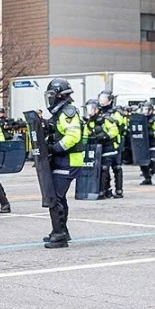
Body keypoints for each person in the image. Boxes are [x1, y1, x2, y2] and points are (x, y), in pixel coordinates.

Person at [43, 79, 84, 246]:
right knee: (59, 197)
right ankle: (61, 230)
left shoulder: (68, 112)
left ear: (59, 95)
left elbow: (73, 136)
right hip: (62, 160)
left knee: (56, 198)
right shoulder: (59, 113)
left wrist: (55, 148)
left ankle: (59, 235)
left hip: (68, 160)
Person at [83, 98, 118, 200]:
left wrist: (105, 136)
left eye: (91, 109)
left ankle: (103, 191)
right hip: (96, 151)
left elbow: (114, 130)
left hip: (108, 149)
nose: (89, 111)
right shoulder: (89, 123)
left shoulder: (105, 119)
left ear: (97, 109)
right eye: (88, 109)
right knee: (97, 170)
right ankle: (104, 190)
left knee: (104, 169)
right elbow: (85, 135)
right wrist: (84, 146)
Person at [138, 102, 155, 186]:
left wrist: (149, 134)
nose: (145, 111)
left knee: (154, 161)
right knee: (142, 161)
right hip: (143, 144)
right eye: (143, 109)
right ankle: (147, 178)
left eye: (147, 109)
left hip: (153, 143)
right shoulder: (140, 119)